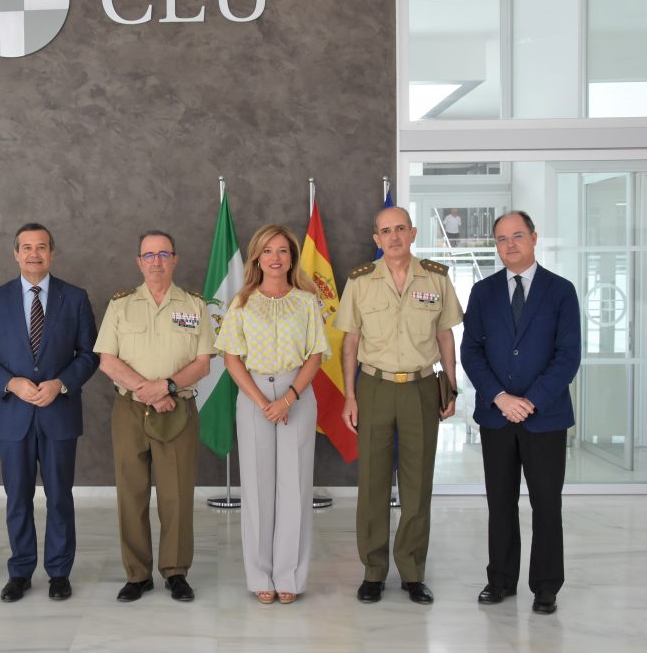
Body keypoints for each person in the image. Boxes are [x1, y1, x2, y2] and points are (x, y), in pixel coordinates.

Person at [335, 206, 462, 605]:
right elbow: (350, 342)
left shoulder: (436, 278)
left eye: (400, 229)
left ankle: (411, 571)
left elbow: (445, 336)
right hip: (374, 386)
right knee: (372, 481)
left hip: (422, 387)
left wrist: (452, 388)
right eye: (385, 231)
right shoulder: (360, 281)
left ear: (413, 233)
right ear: (377, 239)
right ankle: (373, 571)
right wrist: (350, 396)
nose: (393, 237)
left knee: (417, 483)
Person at [0, 223, 98, 603]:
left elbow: (90, 355)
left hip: (58, 412)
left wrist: (61, 383)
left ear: (52, 253)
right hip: (13, 415)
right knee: (17, 497)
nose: (34, 254)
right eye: (26, 247)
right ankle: (21, 571)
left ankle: (59, 572)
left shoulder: (74, 298)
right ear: (15, 254)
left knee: (60, 496)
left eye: (41, 247)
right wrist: (11, 383)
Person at [460, 211, 580, 615]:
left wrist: (529, 401)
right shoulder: (482, 291)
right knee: (501, 501)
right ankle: (500, 580)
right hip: (497, 417)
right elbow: (471, 351)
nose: (509, 245)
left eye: (517, 236)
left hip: (544, 417)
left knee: (546, 503)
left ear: (534, 238)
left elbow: (568, 356)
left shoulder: (561, 291)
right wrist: (500, 397)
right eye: (501, 239)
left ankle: (546, 586)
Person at [93, 230, 214, 603]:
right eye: (149, 255)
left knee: (177, 495)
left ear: (175, 259)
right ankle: (137, 574)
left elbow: (204, 362)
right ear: (139, 262)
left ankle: (176, 572)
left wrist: (168, 388)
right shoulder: (121, 305)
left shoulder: (195, 305)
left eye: (163, 254)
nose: (156, 261)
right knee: (132, 494)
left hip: (177, 408)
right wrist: (149, 389)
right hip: (131, 409)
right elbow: (107, 360)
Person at [214, 224, 328, 605]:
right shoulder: (241, 302)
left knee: (295, 487)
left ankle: (289, 576)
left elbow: (315, 354)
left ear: (292, 257)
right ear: (256, 257)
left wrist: (289, 397)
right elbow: (231, 357)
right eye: (267, 251)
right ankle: (260, 574)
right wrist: (262, 401)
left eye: (282, 251)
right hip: (253, 395)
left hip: (297, 393)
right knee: (259, 488)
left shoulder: (306, 300)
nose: (275, 258)